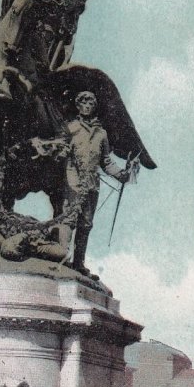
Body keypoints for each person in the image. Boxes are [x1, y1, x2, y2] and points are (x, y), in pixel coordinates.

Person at [62, 91, 129, 275]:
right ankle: (61, 258)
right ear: (78, 106)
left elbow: (106, 161)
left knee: (86, 223)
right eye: (83, 102)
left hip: (92, 184)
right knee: (69, 219)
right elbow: (60, 151)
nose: (87, 106)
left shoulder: (101, 134)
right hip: (73, 181)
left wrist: (120, 174)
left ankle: (78, 263)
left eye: (90, 103)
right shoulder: (70, 128)